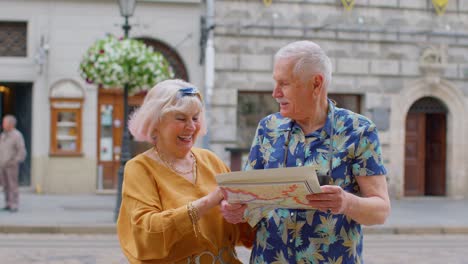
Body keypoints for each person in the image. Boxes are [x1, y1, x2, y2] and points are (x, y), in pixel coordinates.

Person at [221, 41, 391, 263]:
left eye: (284, 84)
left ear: (316, 84)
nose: (275, 93)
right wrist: (237, 210)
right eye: (276, 83)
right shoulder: (268, 128)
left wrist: (346, 203)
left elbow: (381, 210)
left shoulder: (358, 130)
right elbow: (249, 201)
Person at [116, 79, 254, 263]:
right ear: (155, 122)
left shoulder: (211, 160)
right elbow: (146, 233)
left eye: (196, 118)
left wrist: (243, 211)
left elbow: (244, 231)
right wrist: (206, 203)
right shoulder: (140, 168)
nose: (191, 127)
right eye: (181, 118)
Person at [0, 115, 27, 213]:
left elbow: (22, 151)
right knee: (5, 186)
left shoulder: (17, 135)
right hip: (2, 165)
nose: (3, 124)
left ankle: (14, 204)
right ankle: (8, 203)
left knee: (13, 185)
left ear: (11, 124)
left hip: (11, 165)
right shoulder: (3, 135)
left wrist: (15, 161)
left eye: (4, 122)